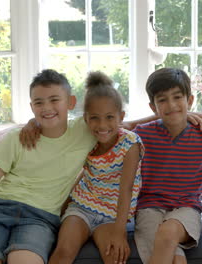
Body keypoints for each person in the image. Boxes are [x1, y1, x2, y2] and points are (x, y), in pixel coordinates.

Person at [0, 69, 96, 264]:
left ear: (71, 102)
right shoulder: (17, 139)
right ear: (32, 107)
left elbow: (119, 121)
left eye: (54, 100)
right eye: (39, 102)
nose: (47, 108)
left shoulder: (85, 131)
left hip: (40, 219)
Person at [132, 68, 202, 264]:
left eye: (177, 98)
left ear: (190, 100)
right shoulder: (142, 135)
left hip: (187, 208)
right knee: (177, 259)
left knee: (168, 234)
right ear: (153, 107)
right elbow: (114, 129)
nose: (172, 105)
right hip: (149, 207)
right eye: (162, 100)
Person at [47, 71, 143, 264]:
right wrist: (32, 123)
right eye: (95, 118)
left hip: (113, 215)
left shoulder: (130, 144)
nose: (102, 125)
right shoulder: (86, 139)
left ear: (121, 116)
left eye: (109, 117)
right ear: (85, 118)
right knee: (63, 252)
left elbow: (126, 190)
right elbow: (51, 127)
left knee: (114, 257)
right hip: (81, 208)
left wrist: (119, 231)